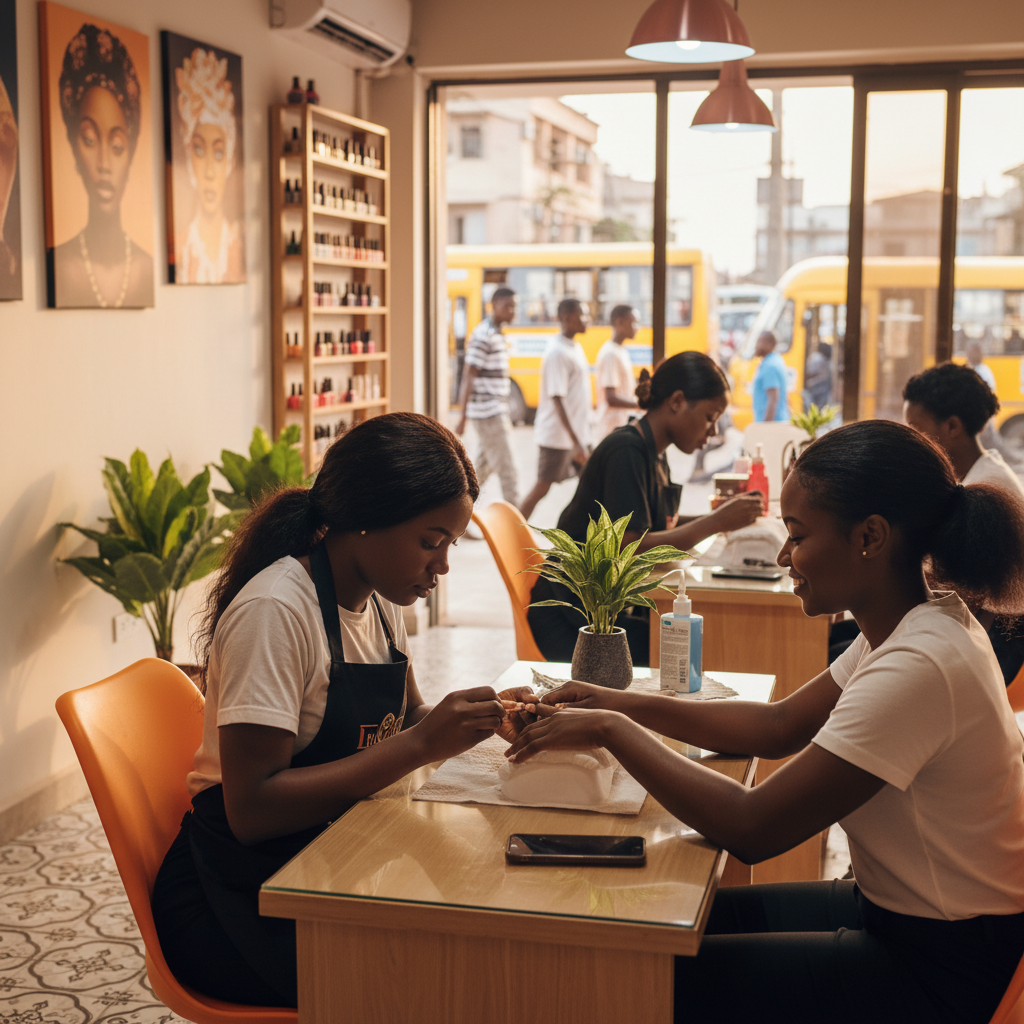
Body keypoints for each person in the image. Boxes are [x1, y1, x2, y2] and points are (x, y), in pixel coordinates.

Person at [509, 418, 1024, 1024]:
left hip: (941, 967)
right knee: (669, 920)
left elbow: (753, 826)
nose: (784, 557)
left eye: (797, 535)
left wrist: (611, 731)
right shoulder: (916, 624)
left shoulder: (922, 662)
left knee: (644, 971)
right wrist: (610, 700)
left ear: (871, 537)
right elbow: (777, 726)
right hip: (902, 915)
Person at [151, 413, 535, 1008]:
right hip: (238, 893)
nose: (443, 566)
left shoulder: (380, 604)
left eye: (450, 545)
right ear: (363, 522)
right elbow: (252, 810)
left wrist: (485, 719)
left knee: (482, 935)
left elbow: (406, 720)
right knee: (449, 980)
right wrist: (423, 743)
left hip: (328, 848)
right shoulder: (276, 613)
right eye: (430, 543)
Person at [527, 352, 763, 665]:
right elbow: (632, 547)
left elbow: (657, 527)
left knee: (688, 641)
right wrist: (716, 522)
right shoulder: (626, 451)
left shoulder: (653, 453)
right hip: (571, 620)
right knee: (685, 651)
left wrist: (721, 516)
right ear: (677, 401)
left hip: (598, 613)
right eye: (709, 417)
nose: (713, 432)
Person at [904, 361, 1024, 683]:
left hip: (993, 643)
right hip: (970, 629)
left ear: (953, 427)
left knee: (836, 653)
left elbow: (960, 594)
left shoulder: (984, 490)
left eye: (915, 430)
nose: (912, 443)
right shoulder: (973, 475)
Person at [53, 23, 153, 308]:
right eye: (89, 139)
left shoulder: (147, 269)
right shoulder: (59, 265)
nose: (104, 164)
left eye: (117, 146)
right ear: (73, 147)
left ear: (131, 152)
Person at [903, 361, 1024, 499]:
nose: (910, 438)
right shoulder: (979, 473)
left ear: (952, 427)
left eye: (914, 429)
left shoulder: (983, 493)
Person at [174, 47, 244, 283]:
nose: (210, 171)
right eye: (200, 151)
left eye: (219, 152)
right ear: (188, 155)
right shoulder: (180, 249)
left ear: (230, 160)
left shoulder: (239, 251)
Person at [519, 298, 593, 521]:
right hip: (558, 438)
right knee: (542, 488)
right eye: (583, 315)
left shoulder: (574, 347)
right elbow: (558, 400)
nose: (587, 320)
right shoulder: (557, 353)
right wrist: (577, 441)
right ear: (566, 318)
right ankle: (511, 534)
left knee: (592, 483)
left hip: (577, 436)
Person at [455, 286, 519, 507]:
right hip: (489, 413)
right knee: (509, 472)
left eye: (514, 306)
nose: (512, 311)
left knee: (480, 470)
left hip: (495, 410)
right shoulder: (484, 335)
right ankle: (520, 535)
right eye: (507, 306)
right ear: (494, 306)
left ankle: (459, 513)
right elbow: (468, 375)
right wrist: (462, 417)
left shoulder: (498, 334)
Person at [594, 304, 640, 441]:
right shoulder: (610, 354)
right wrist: (640, 405)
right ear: (619, 322)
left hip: (618, 427)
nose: (637, 328)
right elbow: (611, 398)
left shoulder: (620, 351)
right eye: (633, 323)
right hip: (610, 430)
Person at [752, 330, 789, 422]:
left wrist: (766, 427)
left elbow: (773, 398)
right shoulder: (775, 360)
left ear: (769, 344)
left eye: (759, 341)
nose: (756, 345)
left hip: (772, 425)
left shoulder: (770, 365)